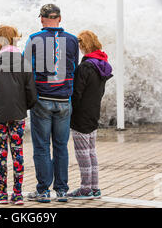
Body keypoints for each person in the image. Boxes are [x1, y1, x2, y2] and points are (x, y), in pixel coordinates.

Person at [23, 4, 79, 203]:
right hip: (64, 100)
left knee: (41, 147)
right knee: (61, 147)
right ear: (60, 19)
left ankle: (43, 191)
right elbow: (75, 68)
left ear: (42, 19)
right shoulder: (73, 40)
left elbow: (24, 68)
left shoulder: (34, 39)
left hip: (42, 100)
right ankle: (62, 191)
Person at [0, 25, 37, 205]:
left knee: (1, 153)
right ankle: (17, 194)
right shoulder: (23, 62)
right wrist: (24, 107)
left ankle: (2, 194)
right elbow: (31, 92)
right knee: (17, 152)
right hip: (17, 114)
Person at [67, 30, 113, 200]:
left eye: (80, 45)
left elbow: (76, 93)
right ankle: (95, 187)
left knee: (82, 153)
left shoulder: (85, 66)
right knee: (91, 151)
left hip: (81, 115)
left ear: (84, 45)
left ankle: (85, 189)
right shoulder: (101, 64)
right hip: (94, 112)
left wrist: (71, 111)